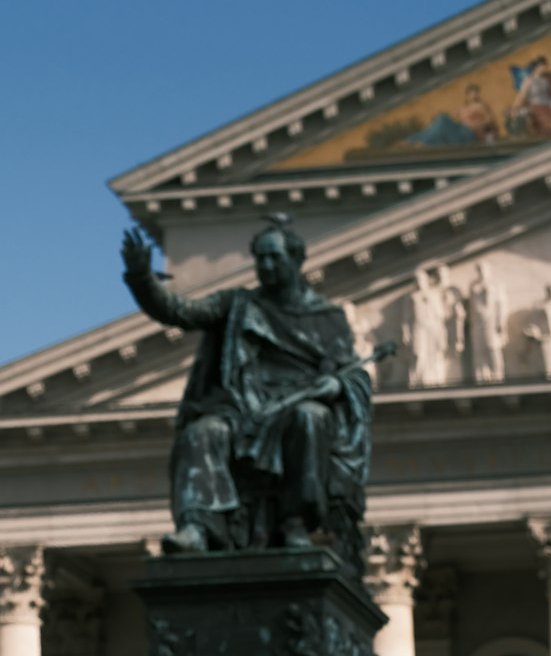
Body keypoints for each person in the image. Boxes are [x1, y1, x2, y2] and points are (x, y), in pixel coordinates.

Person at [121, 218, 372, 558]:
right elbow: (180, 311)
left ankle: (296, 522)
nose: (266, 266)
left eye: (275, 258)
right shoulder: (237, 305)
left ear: (296, 260)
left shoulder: (328, 317)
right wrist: (141, 279)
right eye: (260, 259)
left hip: (298, 404)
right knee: (203, 431)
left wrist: (335, 384)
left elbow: (351, 372)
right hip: (243, 405)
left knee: (310, 418)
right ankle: (198, 527)